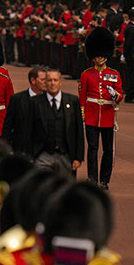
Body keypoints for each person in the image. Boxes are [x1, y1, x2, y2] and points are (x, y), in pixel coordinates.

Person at [79, 28, 122, 190]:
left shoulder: (114, 74)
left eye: (102, 55)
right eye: (97, 55)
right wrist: (83, 116)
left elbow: (119, 97)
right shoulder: (86, 75)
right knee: (92, 148)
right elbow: (82, 97)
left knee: (108, 150)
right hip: (91, 115)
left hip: (107, 115)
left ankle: (104, 180)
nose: (100, 58)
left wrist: (114, 94)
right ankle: (92, 178)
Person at [29, 68, 85, 174]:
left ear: (60, 82)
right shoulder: (34, 102)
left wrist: (78, 157)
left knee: (64, 188)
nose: (52, 83)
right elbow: (28, 129)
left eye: (55, 80)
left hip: (66, 155)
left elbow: (79, 131)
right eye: (49, 80)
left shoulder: (73, 101)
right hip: (42, 155)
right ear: (45, 83)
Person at [1, 66, 46, 157]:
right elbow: (8, 126)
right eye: (43, 80)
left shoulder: (49, 99)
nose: (46, 83)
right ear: (33, 80)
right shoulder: (17, 99)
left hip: (43, 152)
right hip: (22, 150)